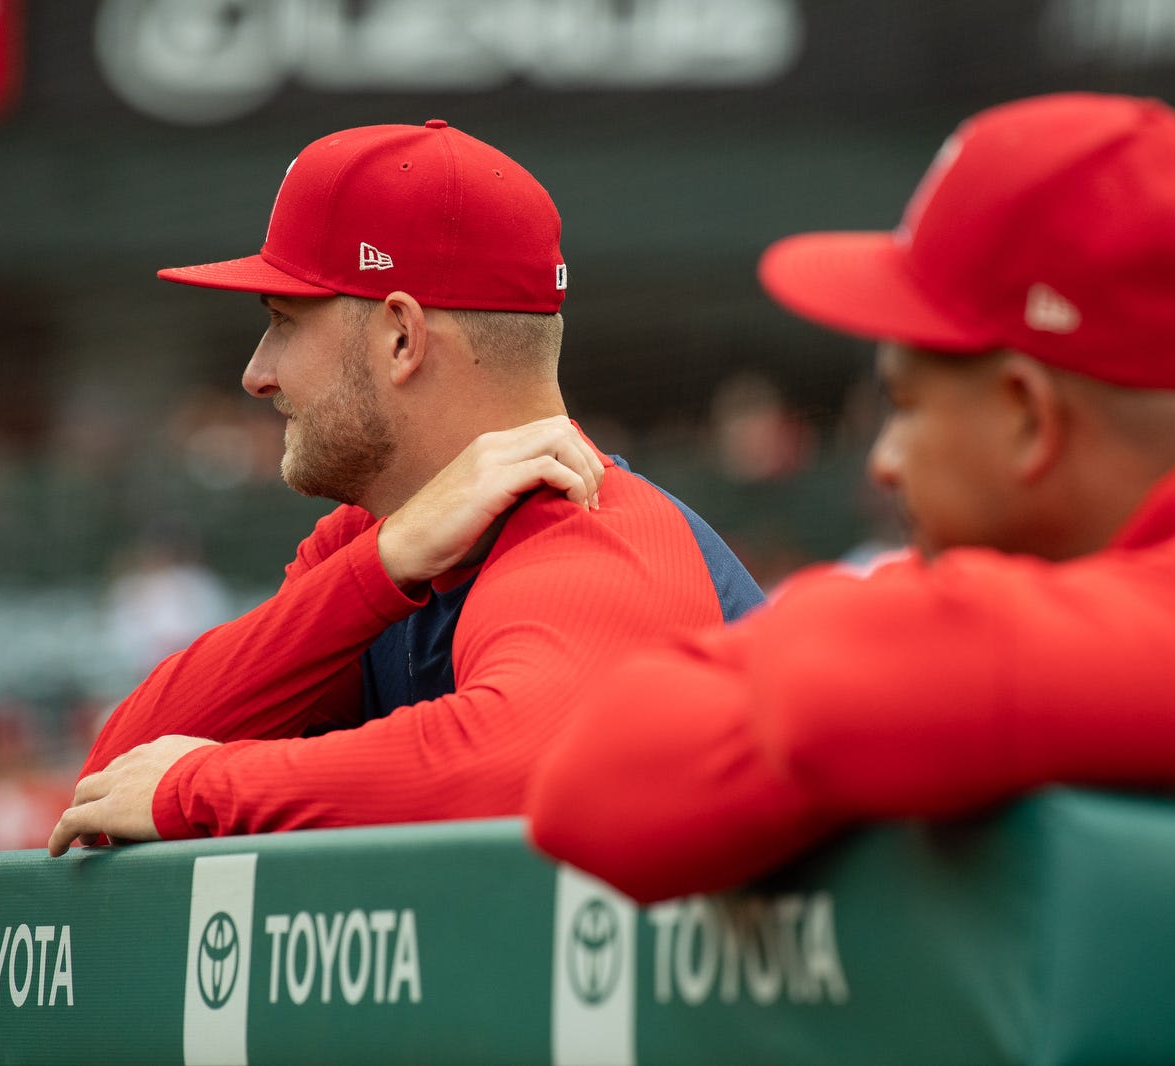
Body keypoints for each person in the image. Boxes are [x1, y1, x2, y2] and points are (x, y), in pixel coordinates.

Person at [525, 93, 1175, 1066]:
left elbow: (833, 701)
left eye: (905, 405)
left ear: (1025, 415)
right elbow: (599, 787)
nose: (882, 461)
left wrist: (859, 635)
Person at [48, 120, 762, 855]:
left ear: (402, 338)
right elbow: (109, 789)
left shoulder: (590, 527)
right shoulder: (378, 540)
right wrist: (379, 566)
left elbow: (518, 773)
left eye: (284, 323)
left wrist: (199, 788)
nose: (256, 374)